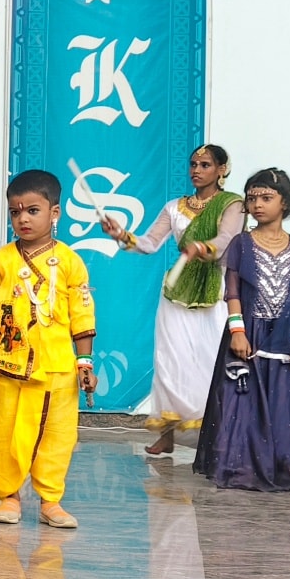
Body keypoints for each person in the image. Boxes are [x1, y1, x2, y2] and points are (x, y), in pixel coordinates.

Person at [101, 144, 242, 455]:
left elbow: (227, 239)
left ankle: (217, 436)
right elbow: (150, 243)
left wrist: (201, 247)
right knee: (171, 362)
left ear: (221, 170)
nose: (196, 170)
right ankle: (167, 433)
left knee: (210, 360)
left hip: (214, 291)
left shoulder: (233, 204)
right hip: (176, 294)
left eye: (205, 165)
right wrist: (122, 235)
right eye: (193, 164)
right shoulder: (174, 207)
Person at [0, 169, 95, 529]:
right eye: (15, 212)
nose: (23, 219)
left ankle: (51, 501)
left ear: (54, 213)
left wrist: (85, 362)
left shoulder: (70, 261)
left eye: (32, 211)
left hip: (58, 367)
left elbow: (82, 313)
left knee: (57, 434)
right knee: (2, 431)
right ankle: (8, 496)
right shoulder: (2, 259)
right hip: (9, 365)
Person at [194, 168, 290, 492]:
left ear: (285, 203)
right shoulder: (241, 243)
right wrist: (237, 332)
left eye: (266, 198)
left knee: (285, 405)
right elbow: (233, 292)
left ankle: (286, 469)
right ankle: (238, 468)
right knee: (241, 400)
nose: (257, 205)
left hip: (287, 337)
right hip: (248, 333)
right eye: (251, 199)